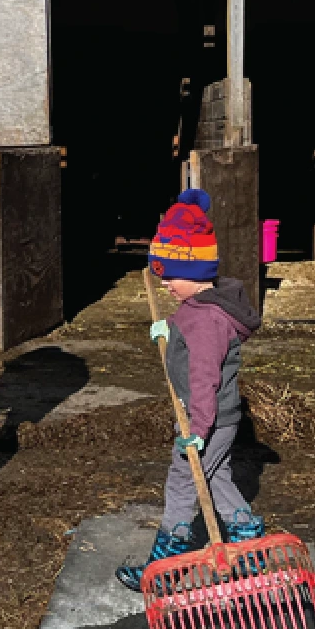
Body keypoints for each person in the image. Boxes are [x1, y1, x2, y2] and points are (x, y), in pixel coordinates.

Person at [116, 188, 263, 590]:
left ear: (196, 273)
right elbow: (193, 345)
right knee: (216, 479)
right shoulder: (198, 311)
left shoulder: (205, 320)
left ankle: (167, 565)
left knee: (184, 479)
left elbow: (204, 377)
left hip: (208, 416)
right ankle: (248, 541)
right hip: (214, 415)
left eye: (170, 276)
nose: (164, 285)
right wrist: (172, 330)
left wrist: (198, 429)